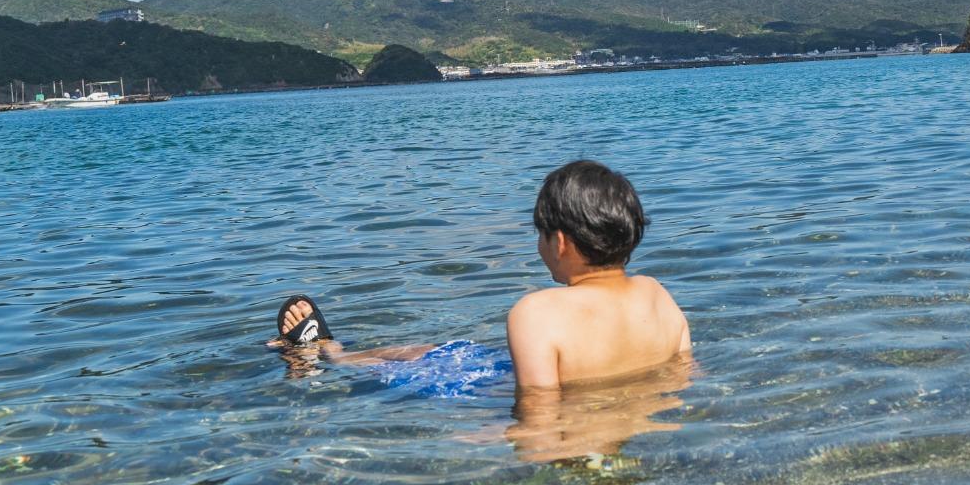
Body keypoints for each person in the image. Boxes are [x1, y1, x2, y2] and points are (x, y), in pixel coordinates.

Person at [270, 160, 691, 394]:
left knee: (405, 370)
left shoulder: (539, 312)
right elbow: (685, 375)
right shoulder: (658, 295)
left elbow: (540, 411)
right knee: (426, 349)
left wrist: (484, 439)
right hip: (590, 396)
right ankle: (332, 352)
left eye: (539, 235)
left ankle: (324, 356)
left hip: (498, 389)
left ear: (560, 243)